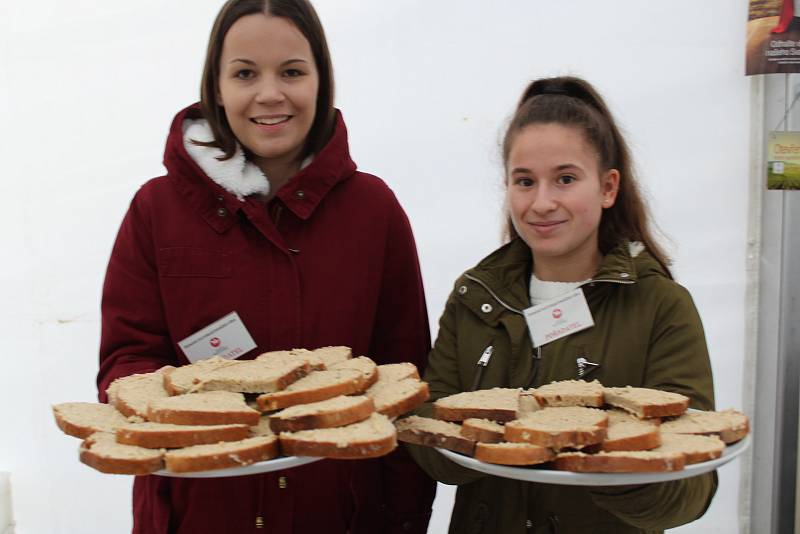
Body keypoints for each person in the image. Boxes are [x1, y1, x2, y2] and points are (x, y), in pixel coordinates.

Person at [96, 1, 435, 532]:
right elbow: (127, 358)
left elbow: (406, 378)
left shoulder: (375, 211)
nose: (270, 94)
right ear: (216, 85)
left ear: (322, 81)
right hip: (197, 515)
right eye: (245, 73)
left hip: (339, 515)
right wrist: (187, 414)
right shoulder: (156, 210)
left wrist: (406, 518)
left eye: (293, 72)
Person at [406, 76, 717, 534]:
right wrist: (470, 441)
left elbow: (691, 488)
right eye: (525, 181)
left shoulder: (661, 306)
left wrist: (605, 460)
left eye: (566, 179)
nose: (542, 202)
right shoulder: (473, 299)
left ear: (608, 187)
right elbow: (435, 439)